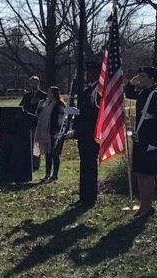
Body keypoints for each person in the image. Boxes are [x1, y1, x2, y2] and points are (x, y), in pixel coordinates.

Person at [124, 66, 157, 219]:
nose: (140, 79)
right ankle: (143, 205)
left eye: (143, 76)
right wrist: (132, 82)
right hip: (140, 138)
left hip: (149, 141)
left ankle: (147, 207)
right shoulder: (142, 92)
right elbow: (128, 93)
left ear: (152, 79)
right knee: (140, 173)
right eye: (139, 76)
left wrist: (154, 142)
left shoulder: (156, 95)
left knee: (147, 174)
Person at [67, 62, 102, 209]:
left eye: (90, 71)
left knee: (90, 164)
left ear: (96, 72)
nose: (87, 74)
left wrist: (78, 112)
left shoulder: (99, 90)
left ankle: (90, 197)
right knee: (84, 164)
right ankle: (83, 196)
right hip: (83, 132)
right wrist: (75, 126)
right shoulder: (87, 88)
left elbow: (98, 112)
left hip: (92, 132)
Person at [33, 86, 66, 182]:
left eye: (51, 93)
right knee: (48, 154)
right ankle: (47, 174)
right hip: (45, 132)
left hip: (54, 133)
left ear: (55, 94)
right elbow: (39, 115)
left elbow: (60, 120)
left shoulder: (59, 104)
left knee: (55, 154)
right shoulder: (46, 103)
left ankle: (55, 175)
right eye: (48, 92)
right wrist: (39, 107)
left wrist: (55, 132)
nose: (49, 94)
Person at [20, 76, 47, 171]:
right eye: (32, 83)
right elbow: (22, 106)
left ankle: (35, 165)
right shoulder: (27, 95)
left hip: (38, 123)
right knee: (27, 143)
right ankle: (27, 162)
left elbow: (46, 109)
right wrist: (30, 103)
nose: (34, 85)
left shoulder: (43, 95)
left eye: (35, 83)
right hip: (27, 122)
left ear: (39, 83)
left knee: (36, 144)